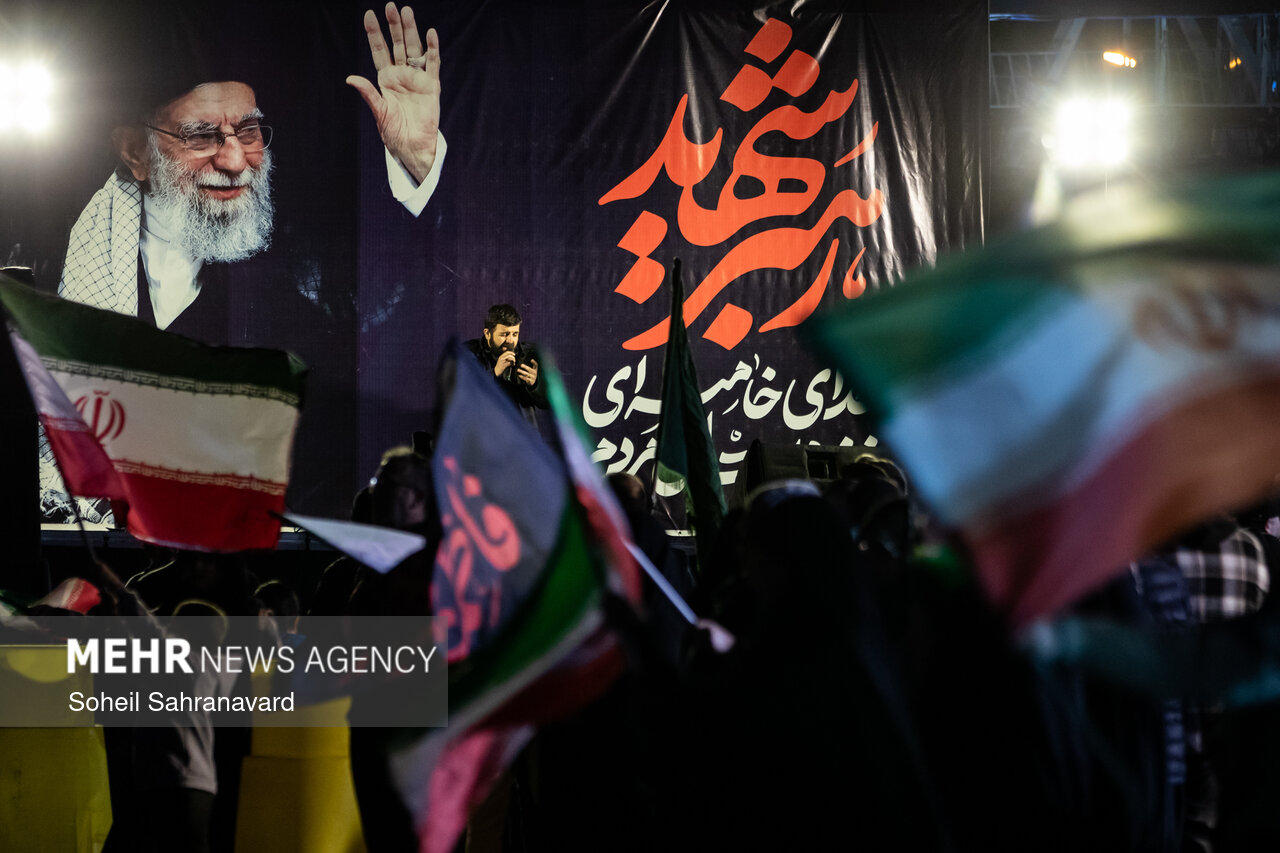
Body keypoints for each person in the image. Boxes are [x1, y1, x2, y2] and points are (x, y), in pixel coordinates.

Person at [41, 3, 446, 519]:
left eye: (248, 132)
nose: (234, 161)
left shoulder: (298, 270)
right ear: (136, 152)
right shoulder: (61, 262)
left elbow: (395, 307)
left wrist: (416, 165)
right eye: (200, 135)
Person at [464, 303, 548, 426]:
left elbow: (547, 404)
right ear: (487, 334)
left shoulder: (528, 355)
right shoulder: (469, 353)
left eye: (515, 334)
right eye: (504, 334)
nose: (510, 341)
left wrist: (535, 385)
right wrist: (494, 372)